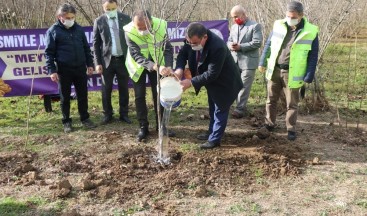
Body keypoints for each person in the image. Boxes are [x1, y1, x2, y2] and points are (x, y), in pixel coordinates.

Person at [171, 22, 243, 149]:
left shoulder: (217, 47)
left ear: (204, 37)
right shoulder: (191, 38)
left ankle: (215, 140)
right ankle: (211, 132)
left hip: (225, 82)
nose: (191, 45)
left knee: (220, 108)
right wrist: (180, 69)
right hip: (211, 82)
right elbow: (182, 54)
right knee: (212, 106)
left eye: (195, 43)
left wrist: (191, 82)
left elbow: (211, 74)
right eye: (189, 42)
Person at [258, 1, 319, 140]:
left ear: (301, 15)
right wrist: (262, 61)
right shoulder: (278, 25)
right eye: (287, 16)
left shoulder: (311, 31)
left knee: (292, 103)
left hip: (293, 73)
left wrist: (309, 74)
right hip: (275, 69)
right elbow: (269, 44)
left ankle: (291, 128)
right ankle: (269, 124)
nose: (289, 19)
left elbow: (313, 55)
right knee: (270, 99)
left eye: (293, 16)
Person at [123, 10, 174, 142]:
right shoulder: (129, 30)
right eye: (138, 28)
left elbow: (167, 48)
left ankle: (161, 126)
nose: (142, 30)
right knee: (139, 96)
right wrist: (152, 65)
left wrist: (168, 65)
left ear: (150, 22)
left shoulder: (161, 25)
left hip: (159, 63)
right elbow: (135, 54)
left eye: (145, 27)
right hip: (138, 65)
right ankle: (143, 127)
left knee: (159, 94)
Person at [45, 3, 96, 133]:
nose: (70, 20)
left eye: (72, 17)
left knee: (82, 95)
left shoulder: (79, 29)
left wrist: (90, 64)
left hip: (80, 68)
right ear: (59, 17)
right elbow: (49, 53)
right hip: (63, 70)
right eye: (67, 17)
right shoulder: (53, 31)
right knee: (65, 97)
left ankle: (85, 118)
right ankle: (66, 121)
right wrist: (52, 70)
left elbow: (86, 48)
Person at [93, 0, 132, 125]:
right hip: (106, 61)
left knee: (124, 88)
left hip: (123, 60)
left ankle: (124, 114)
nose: (110, 11)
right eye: (107, 9)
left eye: (112, 8)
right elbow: (96, 44)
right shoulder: (99, 21)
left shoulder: (126, 19)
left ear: (117, 6)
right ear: (103, 8)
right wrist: (97, 63)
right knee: (106, 89)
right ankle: (107, 114)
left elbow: (132, 40)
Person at [227, 5, 263, 119]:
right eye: (233, 17)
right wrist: (230, 46)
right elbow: (229, 40)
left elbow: (257, 42)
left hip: (248, 62)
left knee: (244, 86)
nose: (234, 19)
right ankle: (236, 105)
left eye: (236, 16)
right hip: (235, 60)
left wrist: (241, 47)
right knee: (234, 84)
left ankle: (240, 109)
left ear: (243, 14)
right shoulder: (233, 27)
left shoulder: (254, 26)